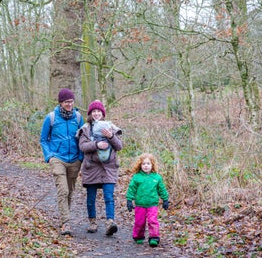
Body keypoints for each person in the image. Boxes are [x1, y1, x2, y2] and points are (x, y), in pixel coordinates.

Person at [40, 88, 84, 236]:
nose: (69, 104)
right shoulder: (51, 118)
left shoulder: (78, 118)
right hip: (58, 158)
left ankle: (65, 220)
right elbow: (43, 139)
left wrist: (81, 157)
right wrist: (49, 156)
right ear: (60, 103)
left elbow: (84, 138)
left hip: (74, 160)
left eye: (71, 101)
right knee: (63, 190)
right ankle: (66, 223)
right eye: (66, 102)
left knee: (70, 192)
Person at [77, 100, 123, 236]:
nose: (96, 114)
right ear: (90, 114)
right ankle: (92, 222)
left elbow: (119, 146)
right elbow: (83, 147)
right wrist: (96, 144)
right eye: (94, 111)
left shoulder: (111, 127)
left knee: (109, 196)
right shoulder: (85, 129)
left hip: (109, 168)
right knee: (91, 198)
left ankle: (110, 222)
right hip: (91, 168)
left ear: (103, 114)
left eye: (99, 111)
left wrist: (111, 136)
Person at [126, 153, 169, 247]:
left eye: (148, 164)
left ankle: (154, 237)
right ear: (140, 165)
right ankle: (138, 236)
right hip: (140, 204)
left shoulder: (157, 177)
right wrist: (129, 200)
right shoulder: (137, 177)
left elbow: (161, 189)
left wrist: (165, 199)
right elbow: (131, 189)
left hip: (152, 204)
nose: (146, 166)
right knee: (139, 222)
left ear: (152, 165)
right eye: (143, 164)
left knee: (152, 220)